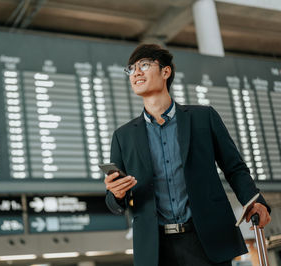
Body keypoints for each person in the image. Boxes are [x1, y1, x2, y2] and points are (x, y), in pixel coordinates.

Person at [104, 44, 271, 266]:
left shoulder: (204, 118)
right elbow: (116, 203)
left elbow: (234, 167)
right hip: (156, 250)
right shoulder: (123, 136)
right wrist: (116, 195)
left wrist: (254, 200)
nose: (136, 72)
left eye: (144, 65)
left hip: (206, 240)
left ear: (166, 72)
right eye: (131, 69)